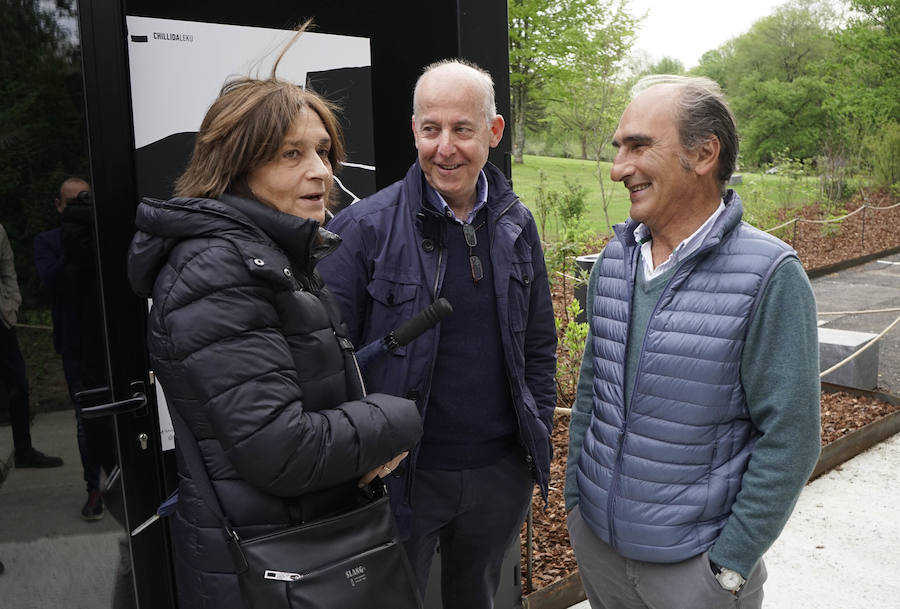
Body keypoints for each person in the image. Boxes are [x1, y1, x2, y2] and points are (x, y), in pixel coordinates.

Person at [126, 29, 422, 609]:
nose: (321, 172)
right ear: (236, 166)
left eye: (323, 152)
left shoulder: (269, 256)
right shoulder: (217, 270)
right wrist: (397, 418)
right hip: (274, 568)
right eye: (292, 154)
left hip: (305, 549)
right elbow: (282, 449)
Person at [564, 75, 821, 608]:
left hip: (695, 574)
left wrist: (729, 565)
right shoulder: (614, 260)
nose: (618, 168)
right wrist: (576, 506)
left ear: (704, 154)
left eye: (638, 146)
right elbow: (592, 392)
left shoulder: (770, 275)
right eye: (619, 148)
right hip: (600, 551)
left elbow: (791, 436)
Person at [319, 59, 557, 608]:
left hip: (499, 476)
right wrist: (358, 461)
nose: (444, 147)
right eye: (431, 129)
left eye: (462, 129)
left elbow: (538, 345)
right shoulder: (363, 229)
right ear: (414, 131)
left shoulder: (517, 225)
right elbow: (325, 363)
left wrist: (535, 435)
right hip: (400, 478)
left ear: (493, 132)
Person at [34, 177, 116, 521]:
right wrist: (73, 237)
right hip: (75, 345)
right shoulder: (48, 241)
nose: (80, 208)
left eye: (85, 200)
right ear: (58, 206)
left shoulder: (105, 235)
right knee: (87, 419)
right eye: (73, 203)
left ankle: (121, 481)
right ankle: (94, 487)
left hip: (109, 340)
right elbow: (53, 282)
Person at [0, 222, 64, 469]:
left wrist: (12, 303)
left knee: (18, 385)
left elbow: (7, 268)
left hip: (3, 319)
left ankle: (24, 450)